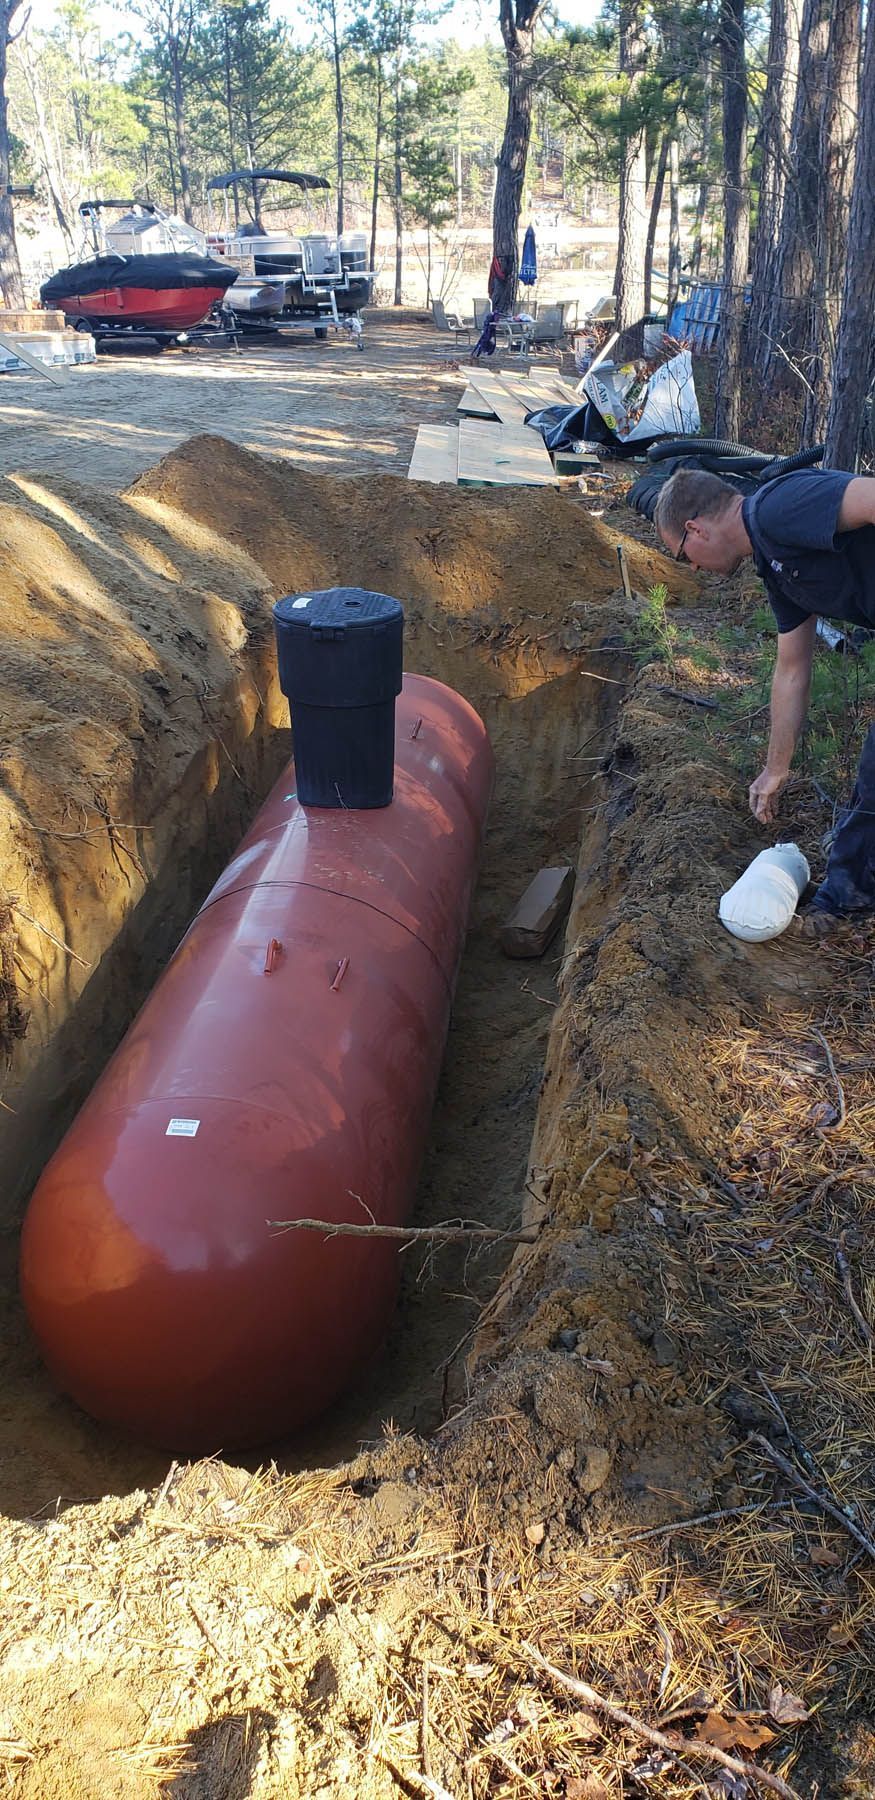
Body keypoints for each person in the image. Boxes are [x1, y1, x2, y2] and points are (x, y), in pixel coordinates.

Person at [653, 466, 875, 935]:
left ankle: (844, 899)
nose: (691, 567)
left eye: (682, 555)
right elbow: (792, 670)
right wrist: (776, 768)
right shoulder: (775, 567)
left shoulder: (778, 508)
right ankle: (847, 891)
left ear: (695, 528)